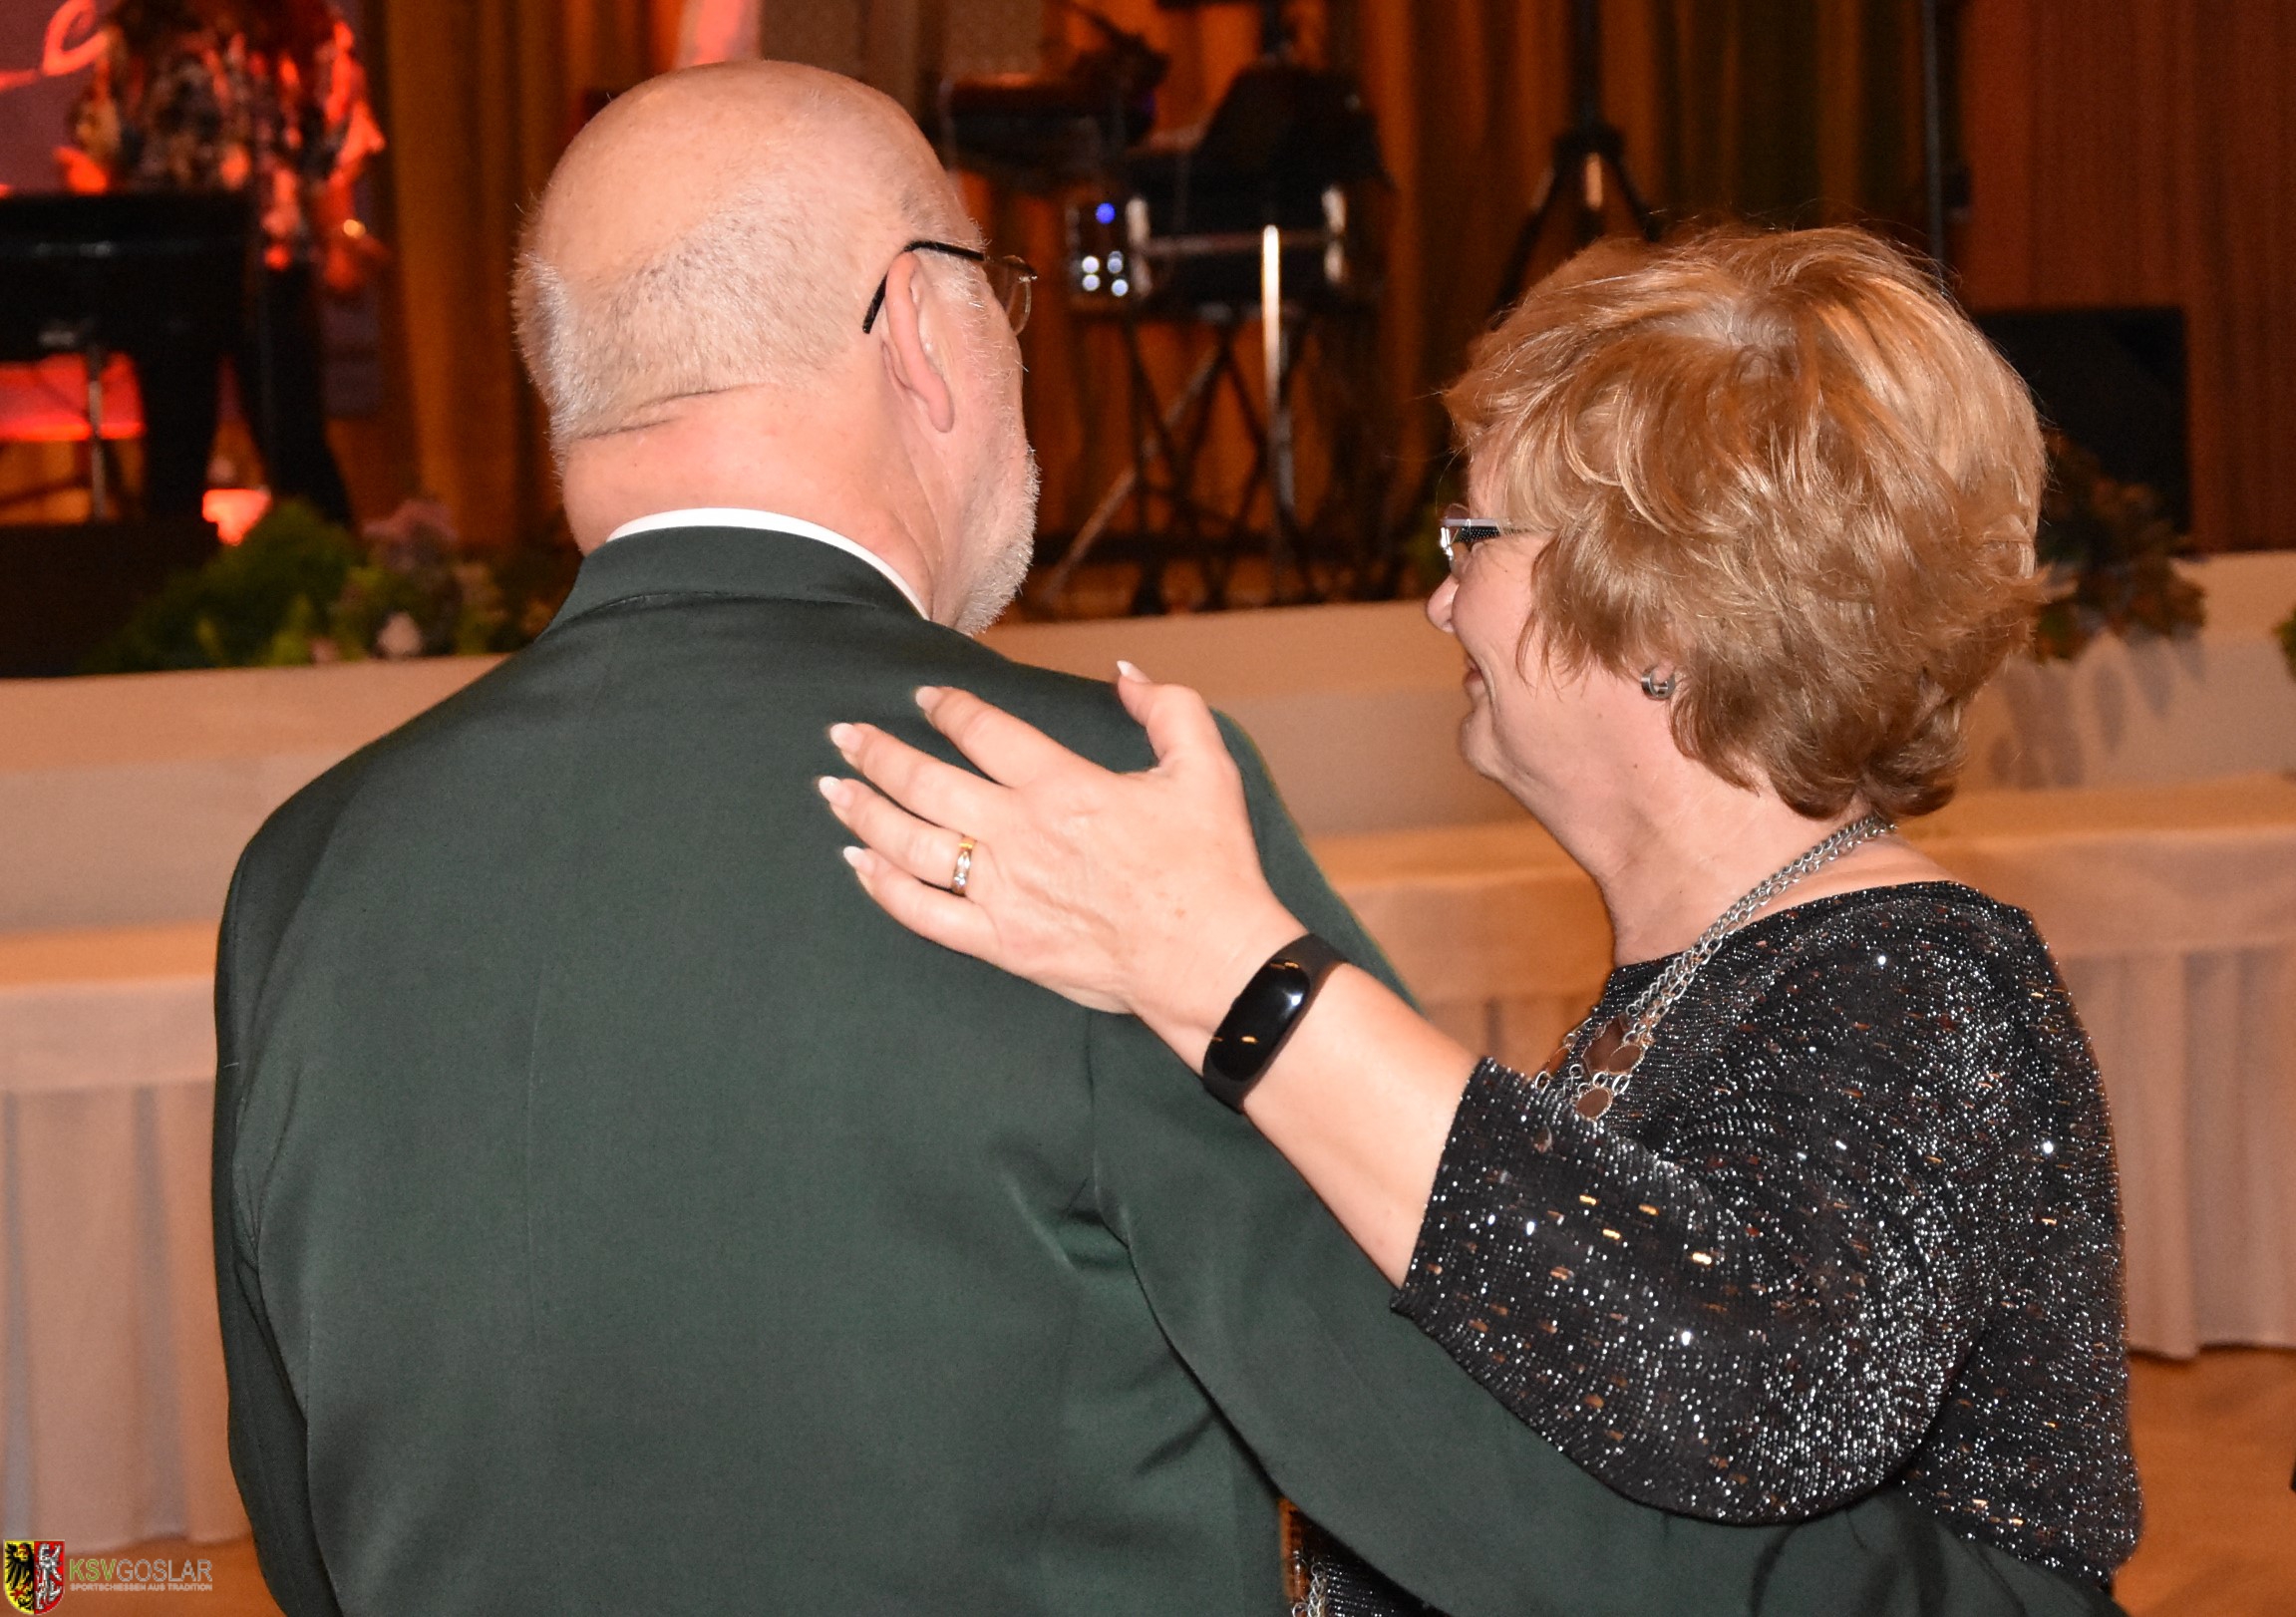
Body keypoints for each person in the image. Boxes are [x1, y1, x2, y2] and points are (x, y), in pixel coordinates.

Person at [212, 63, 1924, 1617]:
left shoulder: (307, 868)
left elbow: (301, 1520)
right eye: (999, 290)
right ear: (919, 329)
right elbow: (1467, 1465)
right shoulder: (1074, 808)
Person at [823, 227, 2140, 1614]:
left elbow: (1751, 1402)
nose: (1438, 599)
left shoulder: (1921, 983)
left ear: (1662, 616)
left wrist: (1228, 967)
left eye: (1475, 537)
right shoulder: (1714, 979)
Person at [61, 0, 383, 521]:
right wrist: (99, 211)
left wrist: (339, 237)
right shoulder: (146, 26)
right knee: (175, 452)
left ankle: (326, 565)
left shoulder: (304, 26)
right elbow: (108, 144)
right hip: (171, 267)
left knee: (294, 440)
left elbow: (329, 149)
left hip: (272, 265)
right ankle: (174, 568)